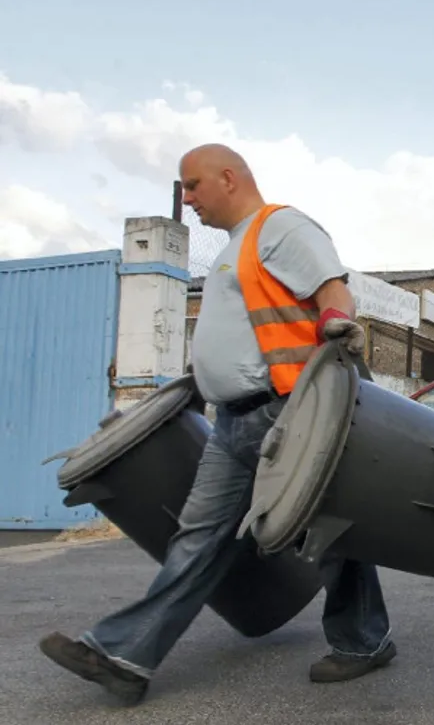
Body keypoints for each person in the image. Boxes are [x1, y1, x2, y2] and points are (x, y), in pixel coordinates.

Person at [37, 144, 397, 704]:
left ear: (228, 179)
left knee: (328, 531)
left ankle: (363, 641)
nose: (187, 197)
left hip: (289, 415)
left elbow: (332, 287)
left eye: (192, 185)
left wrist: (335, 320)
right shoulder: (233, 249)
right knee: (197, 538)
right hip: (231, 425)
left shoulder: (279, 227)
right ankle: (125, 658)